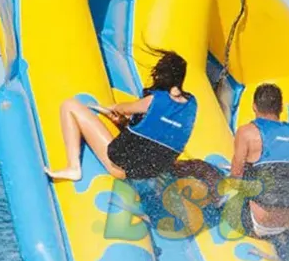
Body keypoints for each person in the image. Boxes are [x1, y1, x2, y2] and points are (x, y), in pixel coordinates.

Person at [45, 49, 198, 182]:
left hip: (121, 169)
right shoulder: (191, 104)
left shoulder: (154, 100)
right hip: (150, 173)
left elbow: (123, 108)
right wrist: (124, 124)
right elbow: (161, 130)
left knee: (69, 106)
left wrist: (112, 108)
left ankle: (73, 168)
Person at [229, 83, 289, 238]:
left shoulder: (248, 132)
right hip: (286, 222)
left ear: (254, 107)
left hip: (256, 222)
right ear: (280, 108)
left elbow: (235, 177)